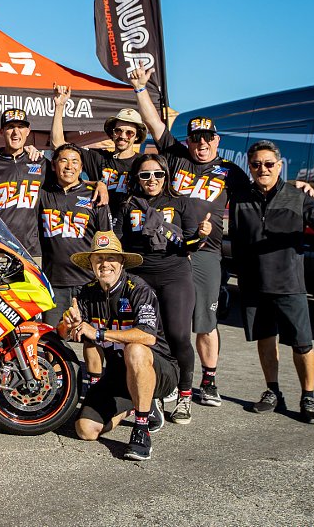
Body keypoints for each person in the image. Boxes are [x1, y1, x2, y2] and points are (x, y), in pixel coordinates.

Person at [129, 65, 252, 407]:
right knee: (168, 321)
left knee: (204, 322)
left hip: (205, 253)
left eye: (208, 138)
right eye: (195, 138)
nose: (201, 143)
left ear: (217, 140)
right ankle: (168, 377)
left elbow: (258, 195)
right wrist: (140, 88)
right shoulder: (176, 157)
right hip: (169, 251)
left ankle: (208, 380)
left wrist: (295, 188)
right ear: (188, 141)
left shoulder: (230, 171)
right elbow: (154, 123)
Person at [230, 141, 314, 424]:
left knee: (302, 344)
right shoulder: (241, 197)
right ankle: (273, 392)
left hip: (289, 283)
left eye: (269, 164)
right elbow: (237, 240)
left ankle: (308, 397)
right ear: (249, 166)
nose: (263, 169)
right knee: (265, 338)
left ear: (279, 166)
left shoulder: (298, 196)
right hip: (254, 284)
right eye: (256, 164)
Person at [62, 231, 179, 462]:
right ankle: (135, 405)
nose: (104, 264)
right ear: (91, 263)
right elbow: (65, 333)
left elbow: (148, 336)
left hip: (159, 369)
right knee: (85, 430)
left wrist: (98, 333)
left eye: (111, 258)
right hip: (118, 375)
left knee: (135, 348)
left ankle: (141, 428)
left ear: (122, 262)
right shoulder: (85, 293)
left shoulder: (138, 289)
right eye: (98, 258)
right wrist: (69, 324)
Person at [113, 154, 211, 424]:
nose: (152, 180)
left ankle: (185, 395)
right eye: (145, 175)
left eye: (158, 174)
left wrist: (201, 236)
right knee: (147, 336)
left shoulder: (181, 202)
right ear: (137, 178)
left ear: (166, 175)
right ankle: (153, 393)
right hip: (140, 278)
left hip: (174, 275)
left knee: (178, 335)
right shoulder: (127, 204)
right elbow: (118, 241)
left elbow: (189, 245)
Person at [37, 143, 112, 327]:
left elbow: (107, 241)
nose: (69, 166)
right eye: (63, 160)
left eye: (75, 161)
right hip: (54, 283)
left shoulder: (95, 197)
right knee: (53, 337)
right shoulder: (42, 194)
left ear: (82, 167)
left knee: (91, 337)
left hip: (88, 282)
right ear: (54, 165)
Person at [0, 109, 49, 258]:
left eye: (21, 127)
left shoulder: (41, 163)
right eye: (10, 127)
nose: (16, 132)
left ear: (28, 131)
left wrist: (95, 185)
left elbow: (69, 181)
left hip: (32, 252)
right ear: (1, 131)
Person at [51, 85, 145, 210]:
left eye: (129, 133)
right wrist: (59, 106)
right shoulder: (98, 157)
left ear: (137, 136)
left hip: (132, 221)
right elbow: (58, 145)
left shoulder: (143, 163)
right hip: (99, 219)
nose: (123, 136)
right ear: (112, 133)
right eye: (118, 131)